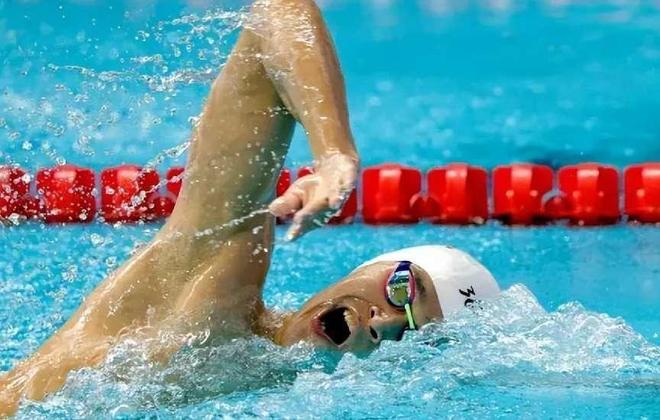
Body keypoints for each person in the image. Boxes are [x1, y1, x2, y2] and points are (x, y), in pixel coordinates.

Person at [0, 0, 499, 415]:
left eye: (410, 336)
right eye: (402, 290)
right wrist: (334, 154)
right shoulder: (216, 284)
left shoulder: (280, 388)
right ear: (367, 268)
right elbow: (277, 14)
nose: (384, 324)